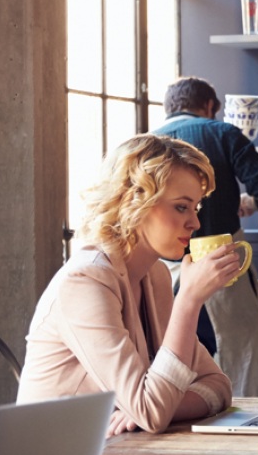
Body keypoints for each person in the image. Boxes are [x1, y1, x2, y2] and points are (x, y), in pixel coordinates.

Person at [17, 134, 235, 436]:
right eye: (182, 207)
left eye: (195, 209)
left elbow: (218, 385)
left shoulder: (154, 275)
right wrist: (189, 299)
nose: (195, 224)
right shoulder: (85, 282)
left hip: (111, 453)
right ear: (136, 202)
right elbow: (151, 413)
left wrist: (158, 406)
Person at [154, 77, 258, 398]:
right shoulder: (223, 133)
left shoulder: (145, 144)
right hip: (225, 268)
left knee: (174, 361)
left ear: (168, 108)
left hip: (162, 274)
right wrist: (249, 203)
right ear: (210, 106)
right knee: (246, 355)